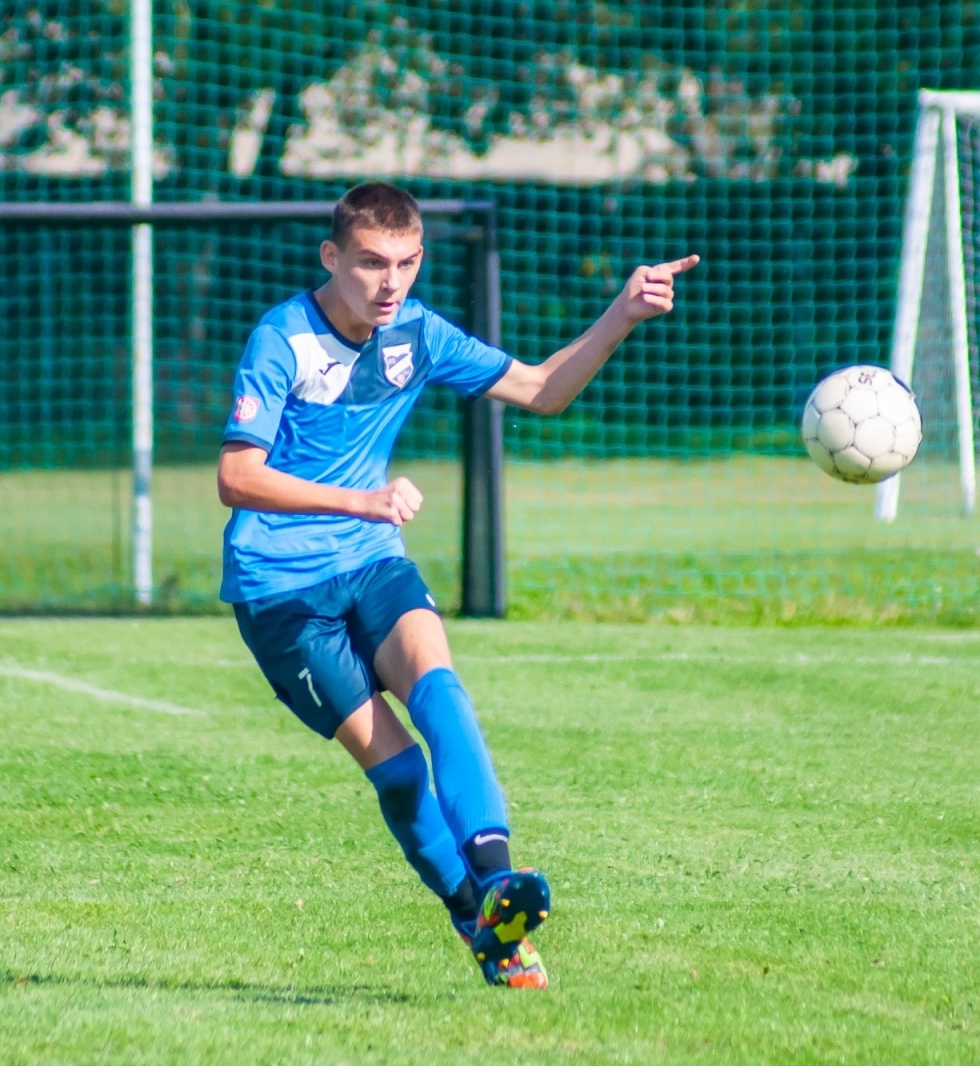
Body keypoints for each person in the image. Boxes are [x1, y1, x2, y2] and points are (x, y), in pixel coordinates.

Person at [216, 181, 698, 988]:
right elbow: (237, 475)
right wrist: (359, 498)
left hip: (371, 560)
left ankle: (500, 878)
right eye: (370, 263)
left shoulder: (418, 333)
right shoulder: (283, 340)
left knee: (440, 687)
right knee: (401, 774)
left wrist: (622, 314)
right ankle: (477, 917)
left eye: (405, 263)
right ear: (332, 258)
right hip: (281, 592)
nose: (389, 282)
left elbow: (544, 390)